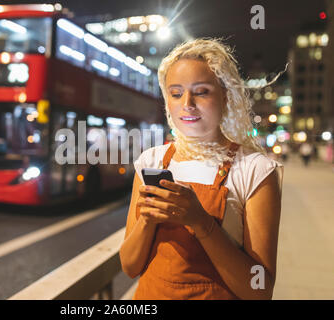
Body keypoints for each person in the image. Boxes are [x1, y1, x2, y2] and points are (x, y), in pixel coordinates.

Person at [119, 39, 284, 300]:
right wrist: (148, 221)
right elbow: (129, 266)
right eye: (176, 93)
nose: (187, 103)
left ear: (226, 96)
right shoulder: (151, 161)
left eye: (202, 91)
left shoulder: (255, 170)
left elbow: (260, 290)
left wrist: (200, 221)